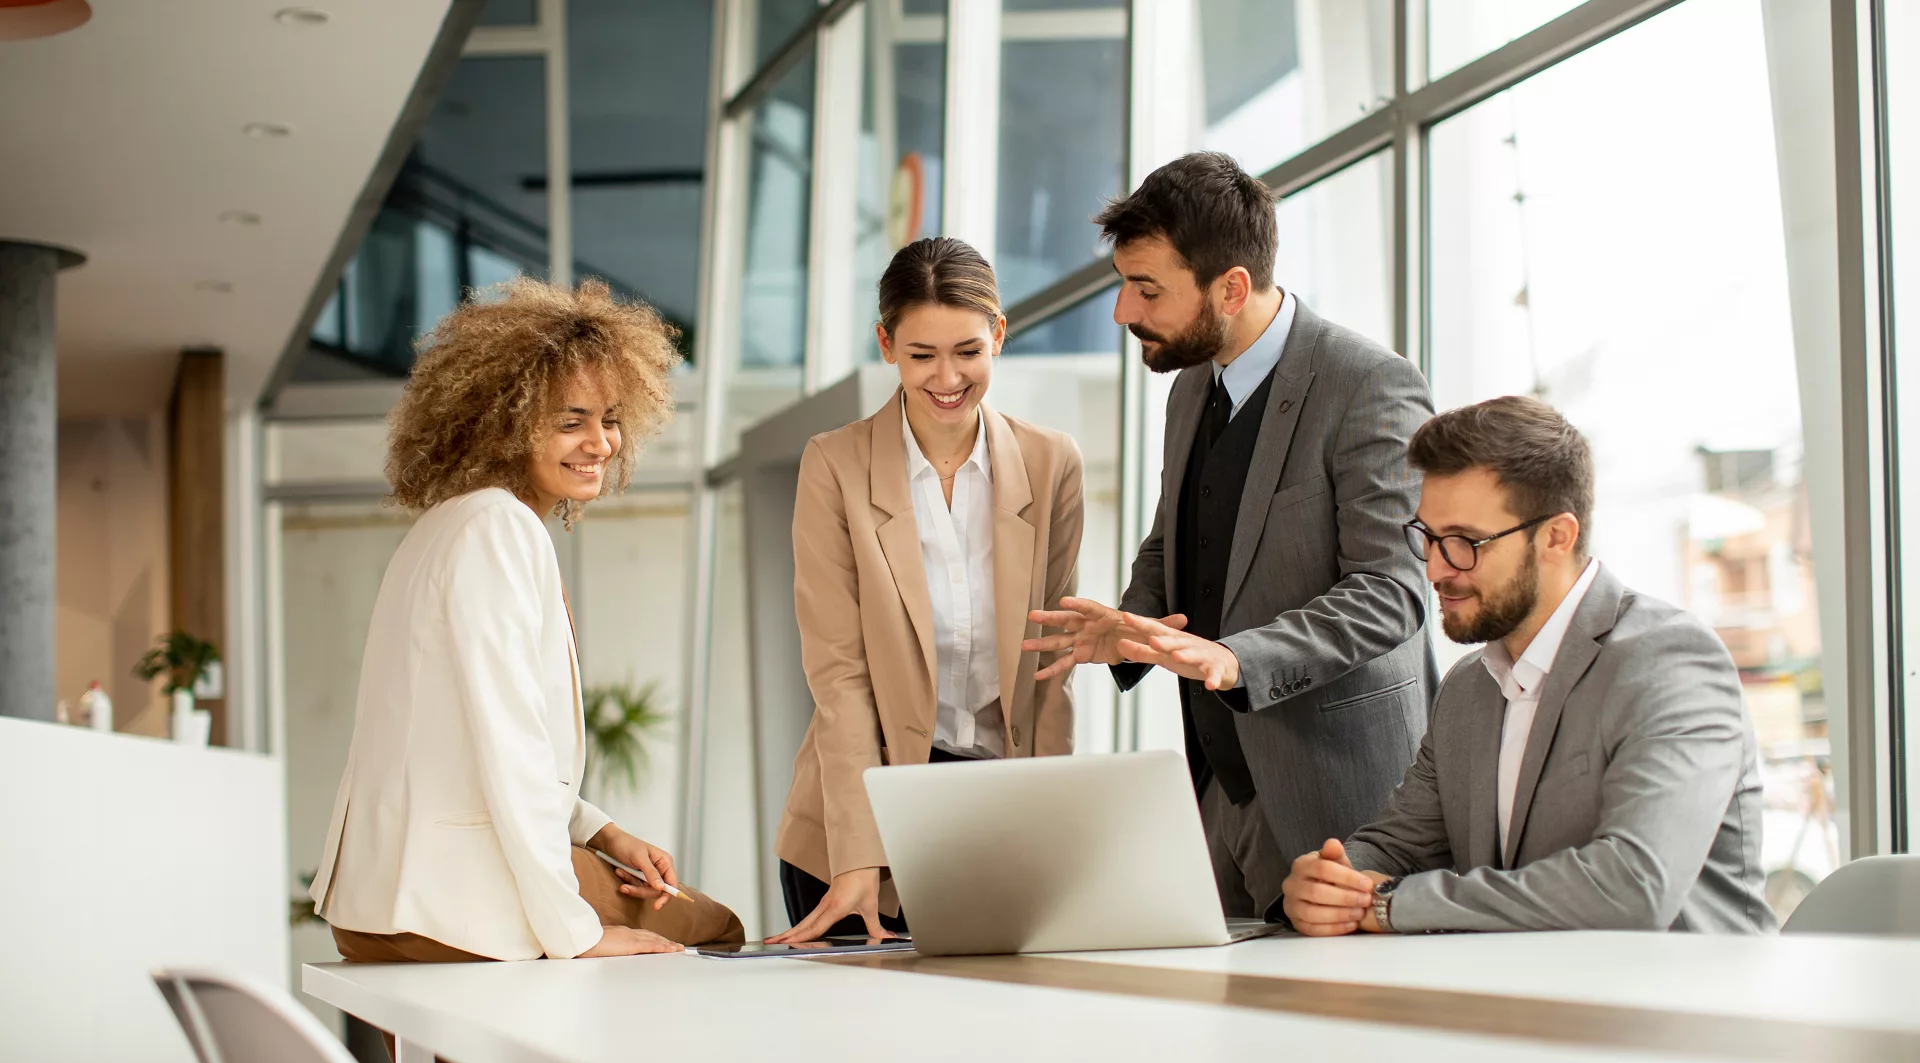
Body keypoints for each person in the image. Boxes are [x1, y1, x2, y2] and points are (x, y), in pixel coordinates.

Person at [1026, 151, 1435, 920]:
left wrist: (1234, 658)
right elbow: (1174, 537)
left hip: (1342, 800)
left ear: (1232, 287)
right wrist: (1129, 623)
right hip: (1218, 788)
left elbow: (1393, 591)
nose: (1123, 312)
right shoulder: (1191, 387)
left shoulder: (1368, 385)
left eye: (1147, 290)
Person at [310, 277, 744, 978]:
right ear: (504, 420)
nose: (600, 442)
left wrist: (602, 832)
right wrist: (576, 930)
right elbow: (508, 745)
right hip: (448, 903)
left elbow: (467, 743)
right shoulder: (498, 529)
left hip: (378, 908)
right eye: (570, 420)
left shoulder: (448, 525)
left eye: (609, 418)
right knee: (717, 928)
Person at [1280, 396, 1776, 935]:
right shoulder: (1469, 687)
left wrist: (1390, 904)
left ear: (1556, 537)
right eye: (1428, 538)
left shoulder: (1671, 662)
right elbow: (1398, 844)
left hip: (1685, 1005)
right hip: (1523, 1001)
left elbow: (1633, 887)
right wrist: (1331, 882)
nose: (1438, 569)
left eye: (1466, 542)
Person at [769, 237, 1084, 943]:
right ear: (886, 344)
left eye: (968, 351)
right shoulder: (835, 467)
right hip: (860, 821)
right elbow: (839, 677)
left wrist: (1054, 835)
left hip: (995, 814)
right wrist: (859, 856)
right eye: (922, 356)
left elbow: (1051, 667)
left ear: (999, 334)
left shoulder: (1051, 462)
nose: (948, 377)